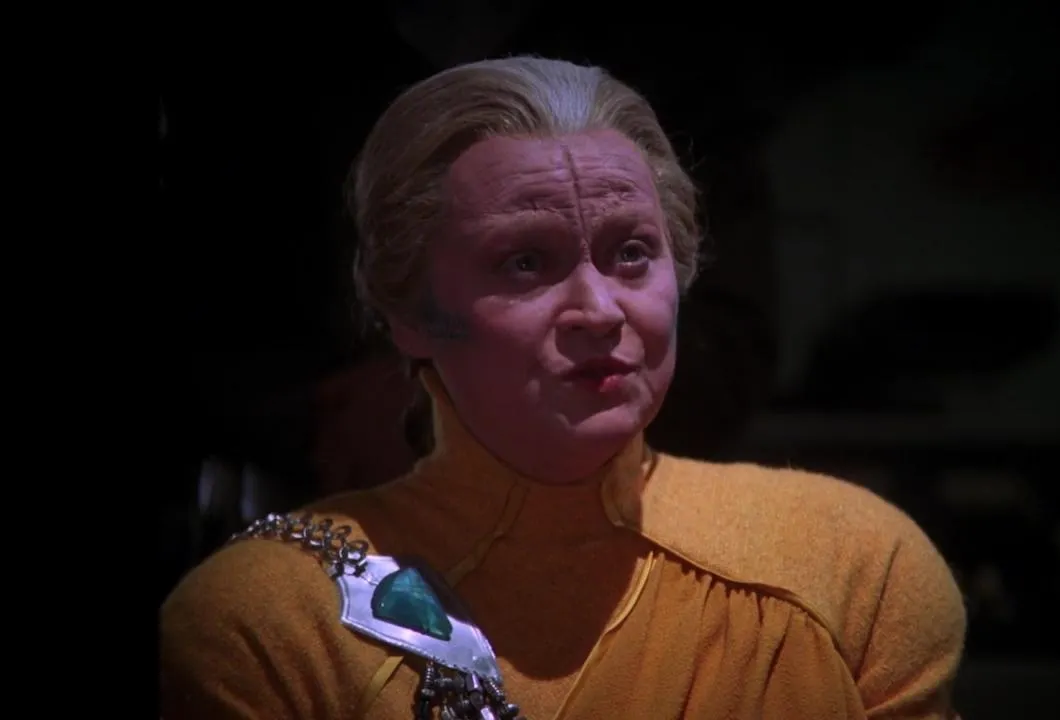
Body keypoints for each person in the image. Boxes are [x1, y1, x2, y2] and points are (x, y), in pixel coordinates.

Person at [160, 56, 966, 720]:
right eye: (525, 262)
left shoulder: (851, 566)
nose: (598, 310)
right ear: (407, 313)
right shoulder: (270, 618)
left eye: (631, 253)